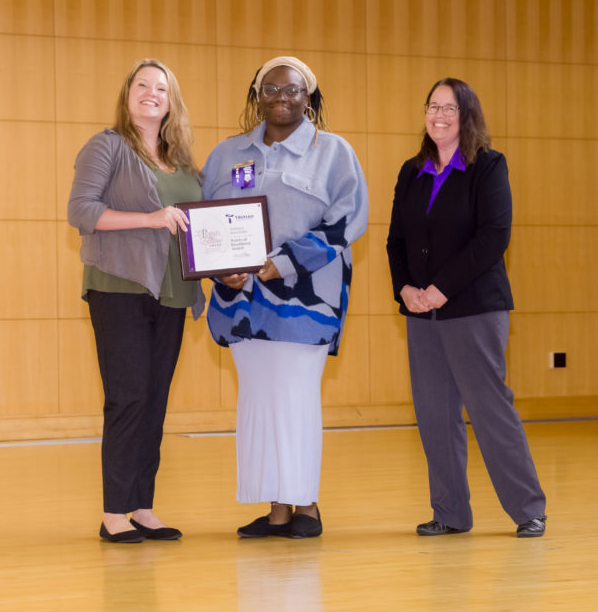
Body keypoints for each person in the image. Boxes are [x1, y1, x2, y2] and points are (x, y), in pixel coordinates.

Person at [202, 56, 368, 539]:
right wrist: (220, 270)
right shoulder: (227, 153)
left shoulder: (333, 152)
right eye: (271, 88)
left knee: (295, 399)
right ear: (257, 95)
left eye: (292, 89)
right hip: (243, 303)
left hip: (304, 302)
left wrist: (286, 262)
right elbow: (204, 222)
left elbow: (347, 220)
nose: (281, 97)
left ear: (308, 96)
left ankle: (307, 507)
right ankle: (277, 510)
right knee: (259, 400)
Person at [386, 77, 548, 538]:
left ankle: (528, 509)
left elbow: (493, 237)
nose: (439, 115)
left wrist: (440, 289)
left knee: (489, 409)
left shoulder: (488, 166)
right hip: (421, 313)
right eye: (432, 106)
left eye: (449, 108)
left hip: (473, 307)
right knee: (435, 414)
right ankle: (450, 513)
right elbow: (395, 240)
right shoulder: (410, 170)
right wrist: (405, 290)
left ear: (467, 116)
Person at [67, 59, 205, 544]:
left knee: (155, 401)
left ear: (172, 101)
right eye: (142, 85)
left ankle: (142, 506)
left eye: (161, 88)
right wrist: (149, 218)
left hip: (172, 293)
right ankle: (113, 514)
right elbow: (81, 211)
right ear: (127, 96)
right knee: (127, 399)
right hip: (119, 289)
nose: (151, 93)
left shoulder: (183, 161)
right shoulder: (106, 147)